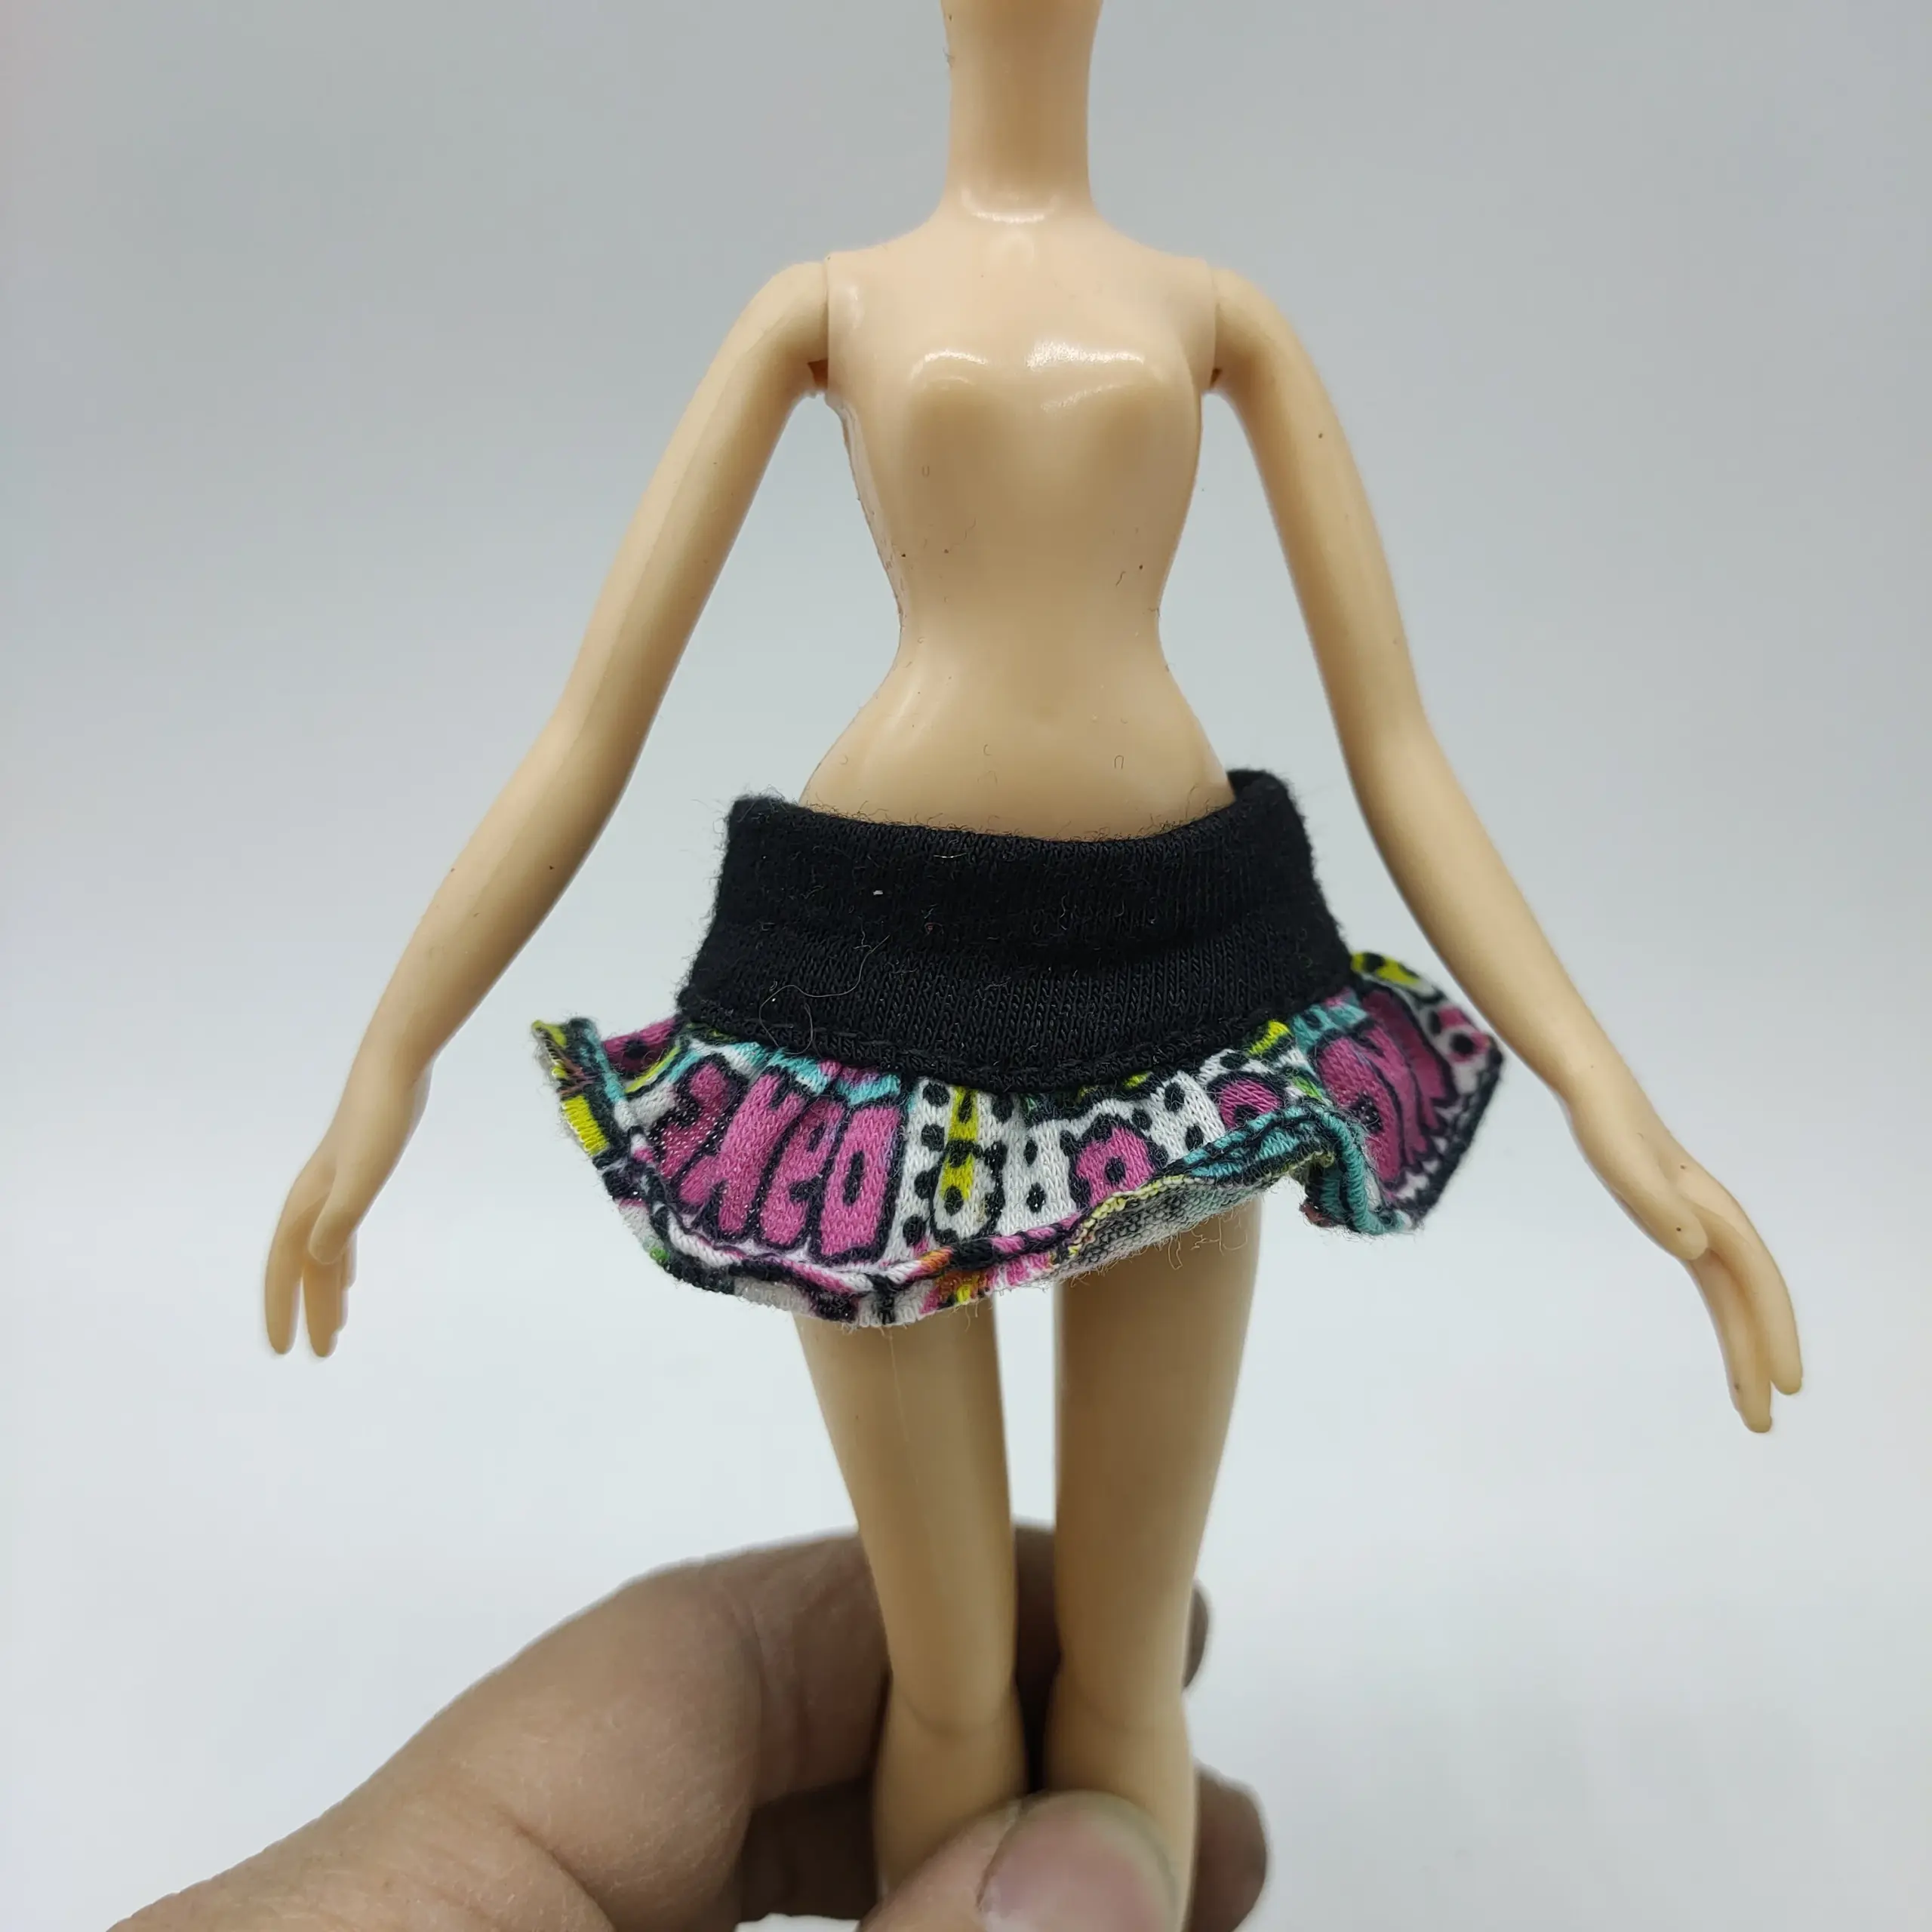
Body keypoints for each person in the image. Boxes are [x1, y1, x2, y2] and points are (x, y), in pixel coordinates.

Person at [116, 1531, 1268, 1931]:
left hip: (1161, 1038)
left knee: (1108, 1657)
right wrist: (386, 1080)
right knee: (957, 1668)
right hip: (870, 1076)